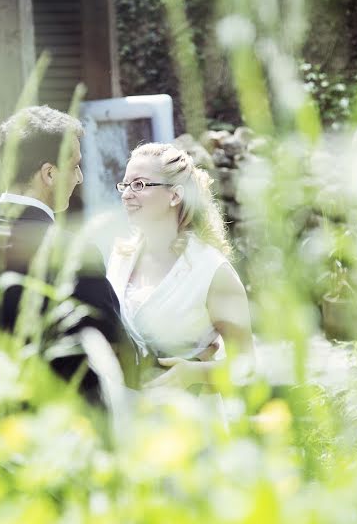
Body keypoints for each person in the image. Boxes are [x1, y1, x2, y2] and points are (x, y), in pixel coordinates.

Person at [0, 105, 129, 400]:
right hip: (62, 425)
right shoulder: (77, 251)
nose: (79, 178)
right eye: (75, 166)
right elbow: (120, 351)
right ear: (49, 173)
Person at [106, 143, 254, 391]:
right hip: (124, 413)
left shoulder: (212, 271)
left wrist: (195, 372)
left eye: (139, 185)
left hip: (190, 419)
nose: (126, 194)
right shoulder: (120, 256)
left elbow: (247, 365)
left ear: (174, 195)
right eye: (125, 184)